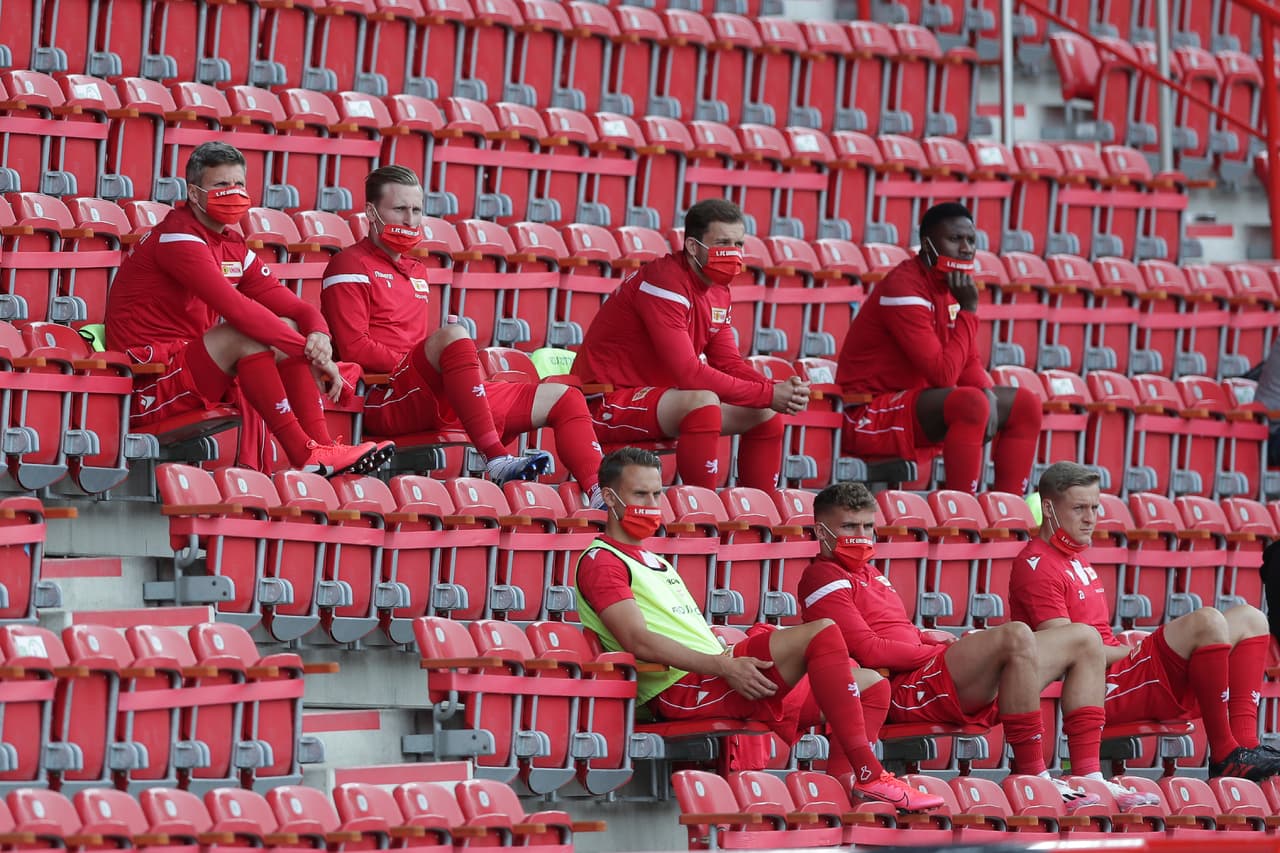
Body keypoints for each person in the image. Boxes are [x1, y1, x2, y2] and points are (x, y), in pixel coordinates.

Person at [574, 447, 945, 811]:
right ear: (609, 497)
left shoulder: (652, 558)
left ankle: (847, 793)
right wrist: (724, 665)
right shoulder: (603, 561)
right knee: (822, 632)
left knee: (872, 685)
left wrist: (725, 660)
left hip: (714, 672)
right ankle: (871, 773)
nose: (652, 504)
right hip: (682, 688)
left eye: (656, 493)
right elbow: (637, 640)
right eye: (640, 494)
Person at [797, 482, 1162, 811]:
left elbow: (899, 631)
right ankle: (1033, 776)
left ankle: (1088, 776)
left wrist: (930, 638)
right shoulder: (822, 576)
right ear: (821, 531)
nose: (861, 537)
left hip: (930, 673)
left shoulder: (871, 573)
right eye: (849, 527)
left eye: (867, 527)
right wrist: (939, 652)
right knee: (1015, 634)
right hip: (904, 689)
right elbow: (872, 650)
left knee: (1084, 638)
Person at [106, 141, 392, 476]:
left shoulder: (232, 245)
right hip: (148, 383)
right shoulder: (177, 238)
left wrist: (319, 337)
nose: (233, 193)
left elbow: (298, 309)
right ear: (194, 193)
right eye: (221, 185)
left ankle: (321, 447)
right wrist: (311, 354)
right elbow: (238, 311)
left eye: (239, 184)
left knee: (285, 324)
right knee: (247, 334)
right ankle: (304, 454)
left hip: (190, 369)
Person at [320, 165, 606, 499]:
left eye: (416, 210)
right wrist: (414, 363)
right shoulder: (349, 265)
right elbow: (355, 348)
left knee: (564, 397)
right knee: (454, 334)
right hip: (387, 396)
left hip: (433, 389)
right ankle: (496, 458)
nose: (410, 220)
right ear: (371, 212)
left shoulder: (416, 270)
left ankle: (600, 494)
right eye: (399, 209)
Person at [1010, 461, 1280, 781]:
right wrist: (1132, 652)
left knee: (1250, 618)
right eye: (1079, 508)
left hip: (1122, 671)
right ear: (1048, 508)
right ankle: (1223, 754)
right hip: (1098, 687)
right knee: (1206, 622)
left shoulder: (1074, 557)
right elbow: (1066, 650)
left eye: (1095, 507)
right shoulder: (1036, 565)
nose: (1090, 518)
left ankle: (1244, 747)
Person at [571, 199, 810, 491]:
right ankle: (701, 512)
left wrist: (776, 391)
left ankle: (761, 513)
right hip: (604, 401)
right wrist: (768, 392)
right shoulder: (665, 281)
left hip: (658, 401)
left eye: (738, 243)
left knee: (765, 414)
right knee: (703, 400)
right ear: (694, 247)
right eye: (723, 242)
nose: (733, 252)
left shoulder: (718, 291)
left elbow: (729, 363)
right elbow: (689, 373)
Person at [835, 202, 1041, 495]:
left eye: (971, 240)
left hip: (915, 407)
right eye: (955, 239)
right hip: (869, 412)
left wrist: (987, 393)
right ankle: (962, 515)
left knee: (1025, 405)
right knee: (971, 403)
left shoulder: (949, 289)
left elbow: (967, 361)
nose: (966, 249)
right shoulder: (904, 287)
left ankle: (1010, 510)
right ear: (928, 244)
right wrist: (969, 310)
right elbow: (943, 375)